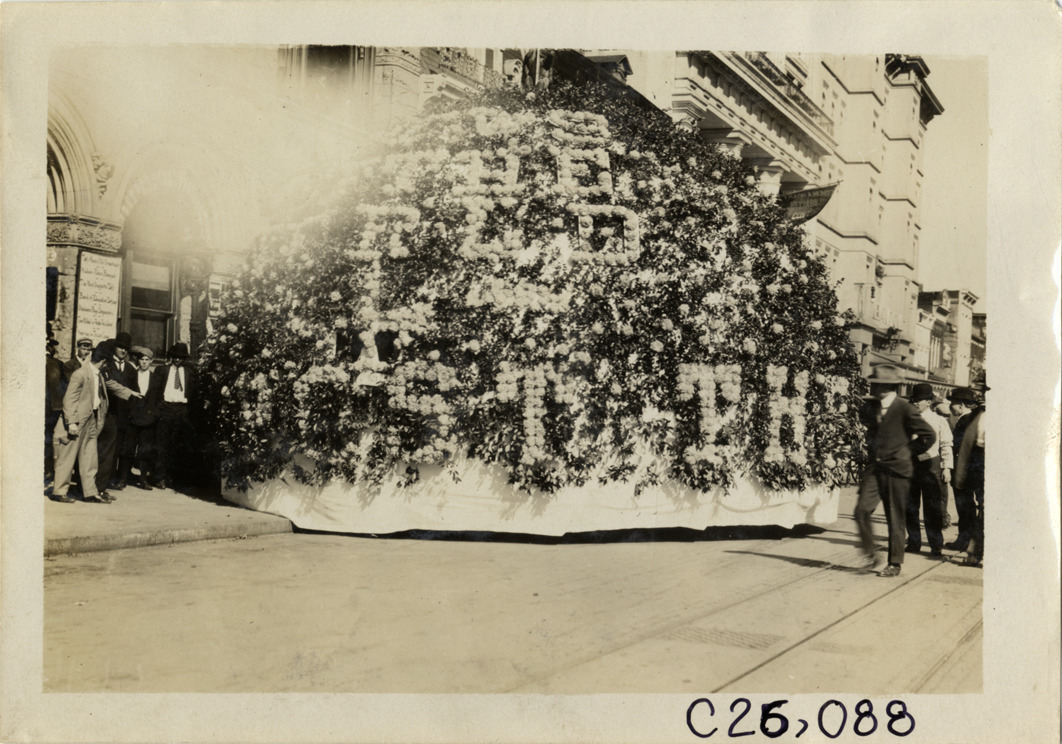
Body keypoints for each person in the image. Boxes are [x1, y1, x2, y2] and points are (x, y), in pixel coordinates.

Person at [854, 364, 936, 577]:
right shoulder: (872, 406)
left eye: (875, 385)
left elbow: (928, 435)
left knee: (895, 516)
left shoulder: (905, 408)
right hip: (876, 469)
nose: (872, 388)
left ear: (886, 387)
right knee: (862, 510)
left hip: (897, 470)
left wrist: (907, 452)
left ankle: (894, 563)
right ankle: (871, 554)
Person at [51, 343, 112, 503]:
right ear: (104, 361)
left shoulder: (97, 374)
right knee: (67, 456)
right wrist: (71, 423)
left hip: (91, 419)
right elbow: (69, 399)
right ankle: (59, 491)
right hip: (76, 421)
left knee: (90, 457)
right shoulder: (80, 374)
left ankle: (90, 492)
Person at [904, 383, 953, 557]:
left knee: (932, 508)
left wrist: (947, 468)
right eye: (914, 400)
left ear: (929, 402)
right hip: (911, 466)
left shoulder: (939, 420)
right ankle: (914, 541)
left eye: (920, 400)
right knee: (910, 506)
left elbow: (946, 445)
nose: (916, 403)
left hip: (931, 465)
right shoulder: (907, 419)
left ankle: (935, 545)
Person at [95, 332, 140, 494]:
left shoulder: (130, 368)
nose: (123, 351)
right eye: (120, 347)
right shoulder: (106, 365)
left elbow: (135, 391)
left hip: (124, 415)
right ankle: (103, 481)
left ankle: (115, 479)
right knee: (107, 449)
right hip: (109, 413)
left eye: (126, 348)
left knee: (121, 448)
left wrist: (132, 413)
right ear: (114, 348)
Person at [948, 387, 986, 566]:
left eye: (953, 404)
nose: (951, 407)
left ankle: (967, 541)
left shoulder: (967, 420)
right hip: (973, 470)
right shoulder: (974, 417)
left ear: (961, 405)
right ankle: (969, 542)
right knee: (974, 507)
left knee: (966, 507)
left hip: (968, 469)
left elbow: (960, 447)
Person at [155, 342, 197, 491]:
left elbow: (193, 393)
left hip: (182, 410)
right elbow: (156, 390)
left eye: (180, 357)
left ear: (184, 358)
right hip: (166, 409)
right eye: (175, 357)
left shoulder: (189, 372)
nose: (177, 359)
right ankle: (160, 477)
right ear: (171, 357)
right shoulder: (162, 370)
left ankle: (173, 478)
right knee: (162, 444)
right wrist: (159, 408)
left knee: (178, 444)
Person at [127, 345, 163, 489]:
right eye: (142, 359)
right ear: (138, 361)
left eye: (147, 360)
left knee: (145, 449)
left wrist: (154, 415)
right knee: (128, 448)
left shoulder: (156, 378)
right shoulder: (131, 376)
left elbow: (160, 399)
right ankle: (123, 477)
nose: (144, 362)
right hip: (133, 418)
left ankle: (143, 479)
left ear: (151, 361)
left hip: (148, 419)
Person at [45, 336, 64, 487]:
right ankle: (48, 471)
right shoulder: (56, 364)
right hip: (50, 409)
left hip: (50, 409)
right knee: (47, 439)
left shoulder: (56, 364)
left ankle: (48, 470)